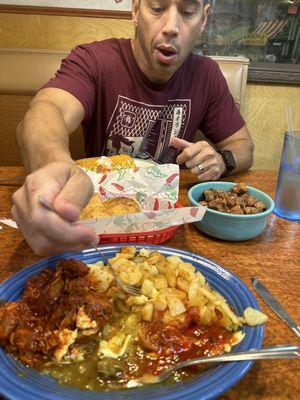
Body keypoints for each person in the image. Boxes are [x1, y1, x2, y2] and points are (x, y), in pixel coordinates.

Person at [12, 0, 254, 256]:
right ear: (136, 10)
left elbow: (243, 147)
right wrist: (54, 165)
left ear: (203, 20)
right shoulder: (94, 60)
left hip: (168, 233)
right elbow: (46, 110)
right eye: (157, 9)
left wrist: (221, 160)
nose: (171, 27)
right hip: (96, 228)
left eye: (187, 12)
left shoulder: (207, 75)